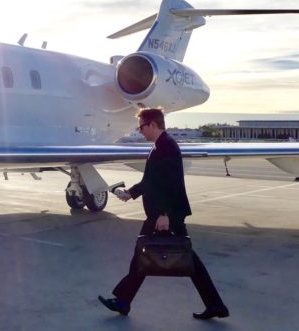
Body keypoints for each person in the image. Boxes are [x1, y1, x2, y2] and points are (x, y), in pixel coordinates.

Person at [98, 108, 229, 320]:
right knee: (153, 254)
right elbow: (152, 181)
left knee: (157, 254)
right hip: (163, 212)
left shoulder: (166, 147)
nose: (140, 131)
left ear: (152, 124)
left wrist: (164, 214)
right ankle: (124, 300)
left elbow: (171, 184)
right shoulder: (160, 145)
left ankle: (123, 300)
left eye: (141, 126)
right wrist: (130, 193)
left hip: (166, 214)